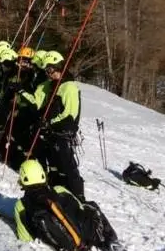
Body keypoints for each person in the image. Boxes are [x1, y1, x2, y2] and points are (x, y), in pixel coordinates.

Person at [17, 51, 85, 200]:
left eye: (50, 70)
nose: (48, 74)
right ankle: (57, 194)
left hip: (63, 134)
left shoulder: (69, 87)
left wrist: (49, 123)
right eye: (46, 70)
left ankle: (79, 198)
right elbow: (40, 104)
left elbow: (70, 115)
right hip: (51, 134)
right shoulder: (53, 85)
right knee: (54, 168)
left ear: (59, 67)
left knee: (68, 169)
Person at [14, 160, 121, 251]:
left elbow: (26, 239)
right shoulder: (60, 190)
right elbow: (80, 208)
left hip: (63, 245)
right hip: (85, 237)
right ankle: (110, 242)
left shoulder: (20, 206)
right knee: (91, 205)